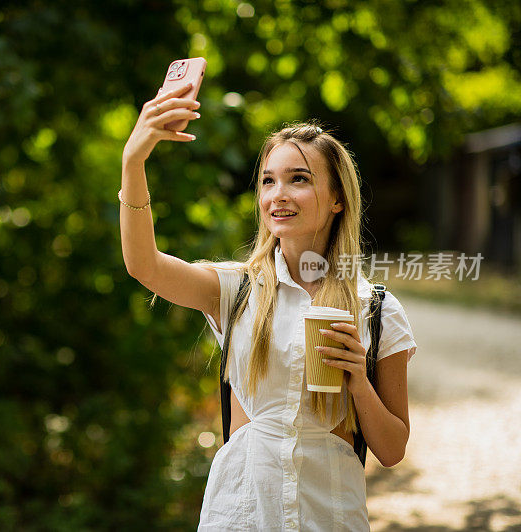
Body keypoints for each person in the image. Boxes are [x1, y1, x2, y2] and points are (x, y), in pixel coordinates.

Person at [120, 82, 418, 530]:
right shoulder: (236, 291)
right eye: (268, 180)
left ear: (337, 198)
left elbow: (393, 450)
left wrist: (358, 380)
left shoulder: (375, 308)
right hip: (240, 513)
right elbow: (145, 266)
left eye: (299, 179)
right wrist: (133, 162)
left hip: (330, 515)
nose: (277, 194)